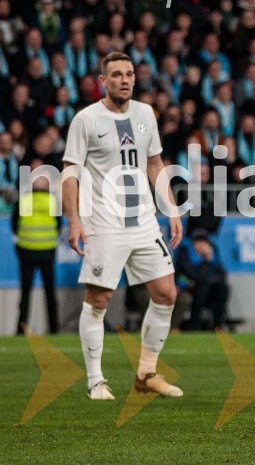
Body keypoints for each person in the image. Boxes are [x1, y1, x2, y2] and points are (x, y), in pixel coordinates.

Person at [62, 52, 184, 401]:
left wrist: (172, 210)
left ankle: (146, 374)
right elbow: (70, 172)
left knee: (166, 293)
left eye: (129, 73)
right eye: (116, 74)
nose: (125, 79)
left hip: (144, 221)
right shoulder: (86, 119)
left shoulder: (145, 114)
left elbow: (155, 163)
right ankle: (95, 381)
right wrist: (74, 220)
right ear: (103, 80)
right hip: (104, 223)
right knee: (99, 299)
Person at [13, 174, 60, 335]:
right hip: (47, 252)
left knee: (25, 294)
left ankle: (21, 330)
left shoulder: (24, 200)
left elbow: (14, 224)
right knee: (50, 294)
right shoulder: (53, 201)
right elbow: (58, 225)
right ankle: (54, 329)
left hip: (27, 252)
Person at [176, 228, 229, 331]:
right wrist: (206, 260)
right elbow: (196, 276)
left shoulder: (214, 253)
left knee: (223, 288)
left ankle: (217, 324)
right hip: (189, 287)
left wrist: (209, 278)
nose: (201, 245)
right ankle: (194, 323)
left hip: (208, 288)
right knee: (202, 287)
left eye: (204, 242)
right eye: (198, 241)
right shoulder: (185, 253)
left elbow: (222, 274)